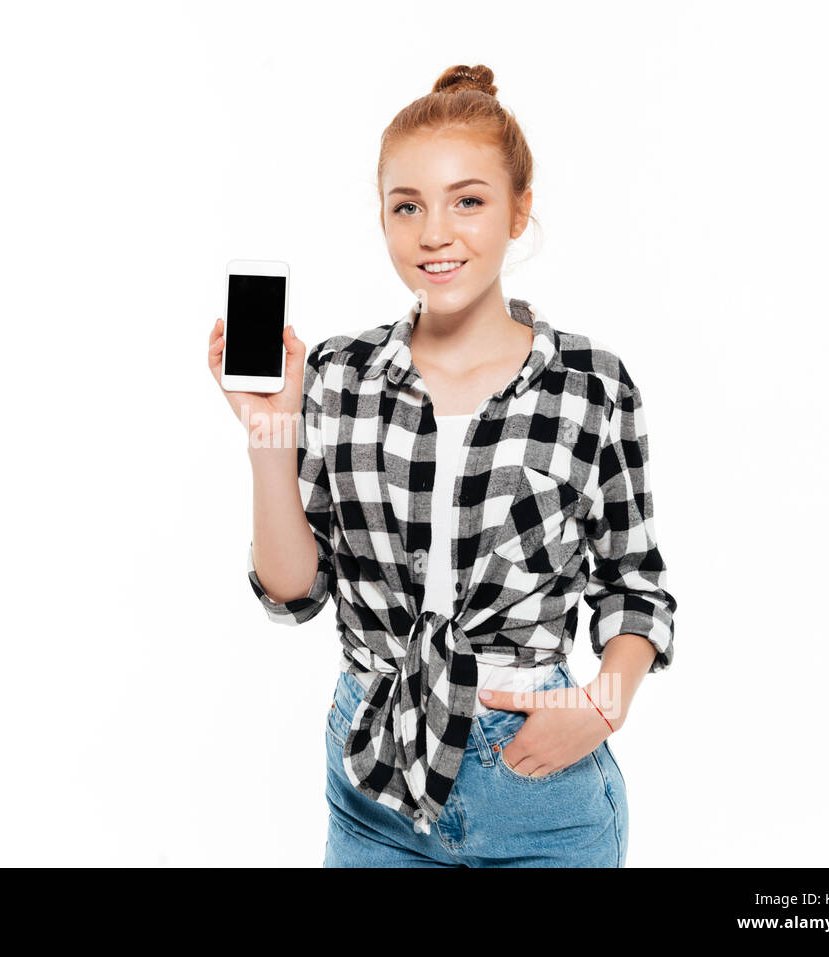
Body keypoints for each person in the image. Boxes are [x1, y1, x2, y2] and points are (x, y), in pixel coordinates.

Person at [207, 63, 677, 867]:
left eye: (469, 200)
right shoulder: (338, 373)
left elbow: (634, 586)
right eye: (407, 207)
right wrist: (269, 436)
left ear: (518, 211)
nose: (434, 233)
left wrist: (602, 706)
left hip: (539, 781)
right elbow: (293, 594)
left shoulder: (592, 383)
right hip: (371, 782)